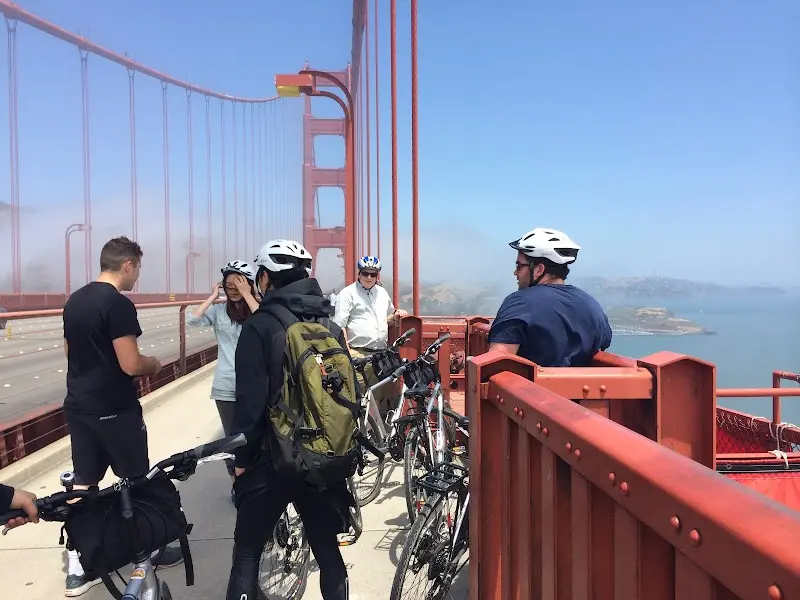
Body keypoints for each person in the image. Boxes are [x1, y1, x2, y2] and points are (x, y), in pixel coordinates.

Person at [226, 239, 354, 600]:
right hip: (319, 456)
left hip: (273, 456)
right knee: (326, 549)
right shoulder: (327, 321)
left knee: (248, 552)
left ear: (264, 278)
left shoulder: (260, 326)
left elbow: (249, 406)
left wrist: (241, 462)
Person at [61, 236, 183, 597]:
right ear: (127, 264)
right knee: (136, 481)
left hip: (79, 405)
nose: (138, 276)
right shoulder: (117, 305)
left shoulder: (75, 300)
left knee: (83, 483)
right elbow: (130, 363)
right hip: (114, 409)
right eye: (138, 268)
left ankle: (81, 565)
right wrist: (154, 363)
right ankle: (146, 552)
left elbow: (70, 353)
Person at [488, 228, 613, 367]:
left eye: (519, 266)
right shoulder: (592, 305)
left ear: (539, 270)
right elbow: (604, 344)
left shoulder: (520, 303)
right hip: (584, 388)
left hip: (532, 387)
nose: (515, 272)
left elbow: (496, 362)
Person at [187, 260, 259, 493]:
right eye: (229, 285)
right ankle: (236, 485)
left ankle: (256, 480)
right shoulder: (219, 312)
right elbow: (193, 319)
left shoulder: (258, 308)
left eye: (239, 284)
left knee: (256, 436)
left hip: (255, 386)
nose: (234, 289)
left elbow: (266, 323)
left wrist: (249, 295)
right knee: (231, 440)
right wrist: (213, 296)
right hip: (226, 386)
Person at [333, 256, 408, 414]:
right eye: (365, 273)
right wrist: (348, 354)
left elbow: (386, 318)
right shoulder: (347, 294)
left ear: (377, 275)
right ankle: (356, 433)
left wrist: (395, 317)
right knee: (357, 397)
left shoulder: (381, 293)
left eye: (373, 274)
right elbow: (340, 326)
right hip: (358, 354)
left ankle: (373, 435)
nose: (369, 277)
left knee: (378, 398)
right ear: (359, 273)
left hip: (380, 356)